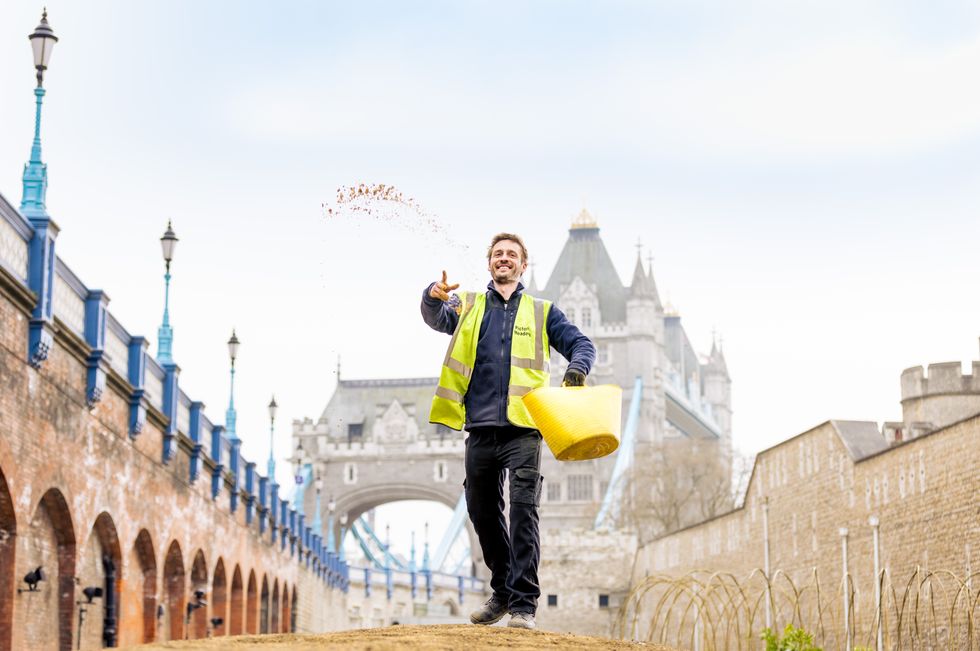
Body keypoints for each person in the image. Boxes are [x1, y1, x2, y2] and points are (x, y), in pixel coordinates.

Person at [421, 232, 595, 630]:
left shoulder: (542, 311)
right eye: (497, 254)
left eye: (511, 255)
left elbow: (581, 343)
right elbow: (436, 318)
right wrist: (431, 295)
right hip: (479, 426)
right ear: (489, 264)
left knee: (522, 513)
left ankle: (523, 605)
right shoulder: (468, 306)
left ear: (522, 265)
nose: (504, 259)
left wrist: (578, 368)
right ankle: (501, 590)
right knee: (481, 512)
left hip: (523, 429)